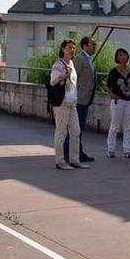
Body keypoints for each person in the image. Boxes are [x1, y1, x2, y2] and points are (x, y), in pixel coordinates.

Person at [49, 39, 89, 170]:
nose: (72, 50)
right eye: (69, 47)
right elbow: (53, 81)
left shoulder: (72, 63)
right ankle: (60, 161)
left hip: (72, 103)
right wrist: (64, 76)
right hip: (62, 103)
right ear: (63, 49)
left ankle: (74, 160)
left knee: (76, 131)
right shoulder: (58, 64)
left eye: (73, 48)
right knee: (61, 132)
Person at [106, 48, 130, 158]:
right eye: (120, 55)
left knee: (128, 126)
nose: (123, 57)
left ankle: (127, 150)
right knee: (115, 126)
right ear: (117, 57)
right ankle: (111, 149)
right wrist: (113, 96)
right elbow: (108, 87)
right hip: (118, 101)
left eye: (125, 54)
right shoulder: (113, 71)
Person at [72, 36, 97, 163]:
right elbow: (72, 79)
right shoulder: (80, 59)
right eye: (93, 44)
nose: (95, 46)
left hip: (86, 99)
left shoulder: (90, 60)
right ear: (85, 46)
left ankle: (78, 152)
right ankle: (71, 153)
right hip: (79, 99)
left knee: (79, 128)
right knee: (75, 128)